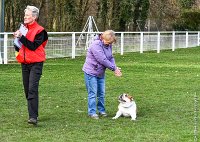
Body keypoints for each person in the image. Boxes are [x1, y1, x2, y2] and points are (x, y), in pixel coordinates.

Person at [13, 5, 48, 125]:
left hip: (36, 64)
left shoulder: (40, 31)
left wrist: (21, 37)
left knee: (32, 89)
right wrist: (17, 39)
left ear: (34, 17)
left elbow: (32, 46)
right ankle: (34, 114)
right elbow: (20, 45)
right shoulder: (23, 28)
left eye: (27, 15)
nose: (25, 17)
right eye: (25, 15)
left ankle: (33, 117)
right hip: (24, 63)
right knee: (27, 90)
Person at [82, 30, 122, 119]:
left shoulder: (108, 44)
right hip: (91, 72)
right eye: (107, 42)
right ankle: (92, 112)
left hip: (100, 72)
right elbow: (102, 59)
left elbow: (110, 57)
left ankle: (101, 110)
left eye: (110, 43)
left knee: (101, 93)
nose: (108, 44)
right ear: (103, 38)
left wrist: (115, 68)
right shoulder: (96, 44)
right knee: (92, 93)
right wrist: (114, 69)